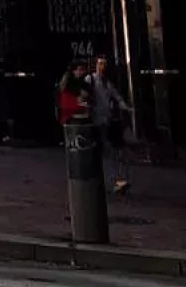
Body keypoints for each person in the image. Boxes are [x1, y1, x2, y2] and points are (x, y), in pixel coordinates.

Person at [88, 55, 133, 194]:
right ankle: (113, 180)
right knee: (107, 150)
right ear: (96, 65)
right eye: (100, 64)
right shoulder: (91, 80)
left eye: (104, 64)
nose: (103, 67)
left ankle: (115, 180)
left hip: (106, 120)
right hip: (96, 120)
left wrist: (124, 106)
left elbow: (116, 96)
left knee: (112, 150)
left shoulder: (107, 82)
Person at [56, 61, 91, 127]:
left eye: (83, 70)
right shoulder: (68, 84)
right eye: (80, 70)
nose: (82, 72)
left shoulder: (83, 83)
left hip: (80, 116)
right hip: (70, 117)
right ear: (73, 71)